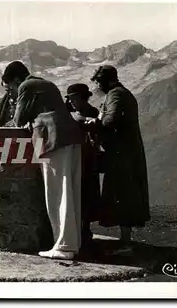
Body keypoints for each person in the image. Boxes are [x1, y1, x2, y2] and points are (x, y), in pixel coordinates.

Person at [7, 61, 83, 260]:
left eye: (10, 88)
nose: (12, 93)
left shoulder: (26, 86)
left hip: (52, 139)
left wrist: (18, 104)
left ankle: (64, 246)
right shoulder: (46, 84)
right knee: (70, 191)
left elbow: (18, 119)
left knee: (57, 192)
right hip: (71, 137)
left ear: (16, 80)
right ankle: (71, 243)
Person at [85, 65, 150, 247]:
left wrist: (95, 122)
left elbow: (110, 119)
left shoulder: (115, 94)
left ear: (109, 80)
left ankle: (125, 243)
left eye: (99, 81)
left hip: (121, 154)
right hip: (128, 151)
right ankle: (125, 239)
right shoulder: (123, 93)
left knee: (122, 193)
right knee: (126, 194)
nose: (98, 85)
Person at [64, 83, 102, 246]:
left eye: (73, 98)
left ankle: (85, 229)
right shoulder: (73, 114)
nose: (71, 102)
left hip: (87, 158)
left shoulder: (92, 113)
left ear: (81, 98)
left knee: (87, 193)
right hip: (75, 156)